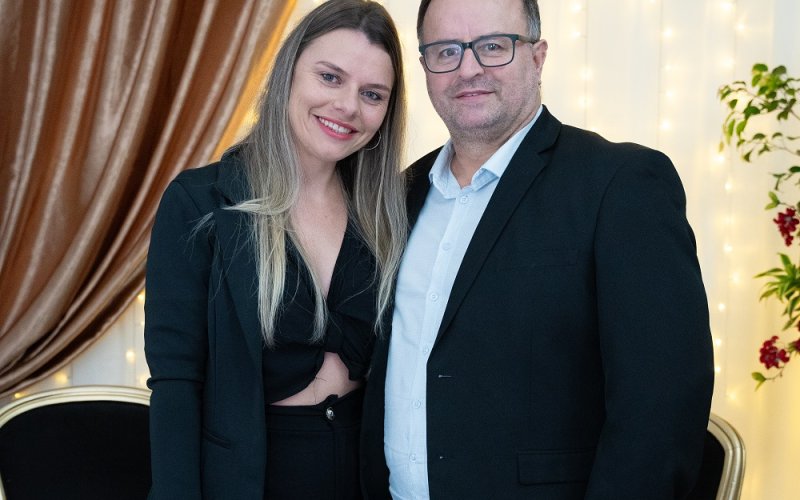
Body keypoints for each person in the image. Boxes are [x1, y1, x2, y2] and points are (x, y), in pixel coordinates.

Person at [360, 0, 715, 498]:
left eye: (493, 46)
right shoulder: (399, 193)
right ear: (425, 67)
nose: (468, 68)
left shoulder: (620, 184)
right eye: (446, 51)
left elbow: (661, 410)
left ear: (538, 56)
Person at [144, 1, 407, 498]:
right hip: (251, 479)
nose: (349, 106)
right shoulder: (200, 202)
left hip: (368, 477)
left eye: (372, 94)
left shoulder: (391, 211)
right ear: (289, 73)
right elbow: (176, 380)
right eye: (330, 77)